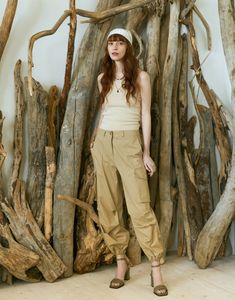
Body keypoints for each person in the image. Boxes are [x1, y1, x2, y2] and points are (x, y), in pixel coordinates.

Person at [90, 28, 168, 297]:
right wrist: (95, 140)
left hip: (129, 143)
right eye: (111, 42)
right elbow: (104, 111)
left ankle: (156, 267)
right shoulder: (103, 78)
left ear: (128, 47)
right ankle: (121, 263)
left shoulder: (141, 77)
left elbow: (145, 115)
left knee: (140, 207)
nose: (114, 47)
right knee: (108, 205)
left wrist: (145, 152)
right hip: (104, 143)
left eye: (119, 42)